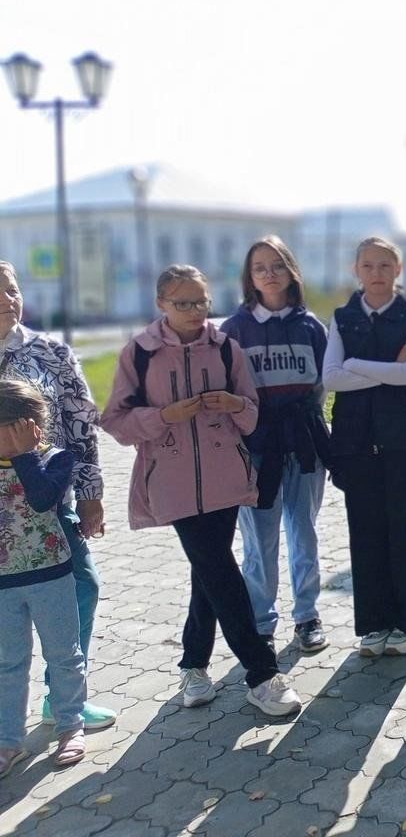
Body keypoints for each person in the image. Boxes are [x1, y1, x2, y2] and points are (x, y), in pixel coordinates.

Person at [101, 266, 302, 716]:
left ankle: (193, 665)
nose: (194, 312)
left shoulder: (226, 347)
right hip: (171, 479)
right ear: (161, 305)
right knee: (217, 566)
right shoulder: (140, 353)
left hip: (224, 474)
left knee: (208, 568)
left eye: (201, 302)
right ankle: (262, 674)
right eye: (182, 303)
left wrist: (234, 404)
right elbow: (114, 420)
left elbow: (252, 413)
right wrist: (164, 416)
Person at [0, 260, 114, 730]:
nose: (7, 301)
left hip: (51, 499)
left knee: (82, 585)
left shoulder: (51, 352)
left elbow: (80, 427)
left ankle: (62, 694)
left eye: (10, 289)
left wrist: (90, 493)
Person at [220, 236, 330, 654]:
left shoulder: (309, 326)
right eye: (260, 267)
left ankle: (307, 616)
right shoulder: (233, 330)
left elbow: (321, 386)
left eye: (277, 265)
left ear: (291, 272)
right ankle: (261, 621)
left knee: (304, 532)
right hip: (256, 448)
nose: (269, 273)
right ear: (249, 276)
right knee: (259, 540)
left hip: (303, 444)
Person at [323, 237, 406, 657]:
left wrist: (355, 365)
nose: (377, 273)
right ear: (356, 270)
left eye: (385, 265)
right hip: (355, 444)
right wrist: (385, 369)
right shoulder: (342, 318)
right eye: (368, 265)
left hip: (402, 443)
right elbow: (330, 378)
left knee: (405, 532)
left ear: (397, 269)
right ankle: (374, 624)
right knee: (365, 533)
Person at [0, 379, 89, 774]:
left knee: (64, 655)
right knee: (7, 663)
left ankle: (71, 725)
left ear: (32, 427)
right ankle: (8, 740)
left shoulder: (55, 459)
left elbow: (40, 500)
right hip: (3, 584)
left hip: (50, 575)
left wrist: (23, 455)